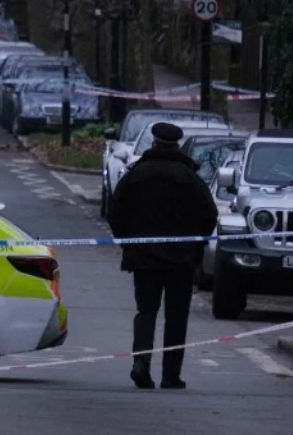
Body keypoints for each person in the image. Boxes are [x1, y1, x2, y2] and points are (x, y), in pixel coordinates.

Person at [108, 122, 218, 390]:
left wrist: (128, 242)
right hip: (181, 260)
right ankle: (171, 375)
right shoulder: (190, 177)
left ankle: (141, 364)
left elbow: (115, 211)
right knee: (176, 317)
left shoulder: (136, 174)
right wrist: (196, 244)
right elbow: (210, 215)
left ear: (153, 144)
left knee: (146, 311)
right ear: (177, 146)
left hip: (144, 257)